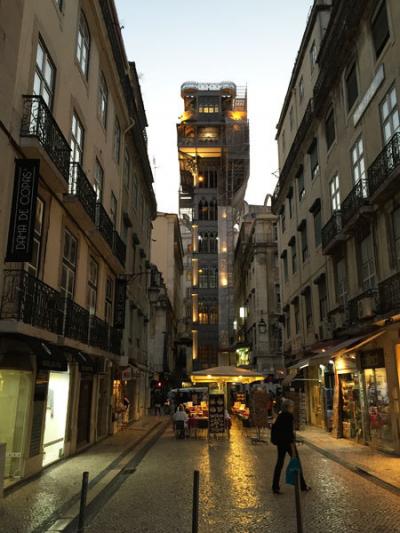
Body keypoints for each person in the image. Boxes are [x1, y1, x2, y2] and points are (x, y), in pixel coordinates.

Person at [271, 399, 310, 494]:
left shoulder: (280, 416)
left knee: (279, 463)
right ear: (288, 407)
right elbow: (289, 431)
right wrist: (293, 442)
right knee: (297, 462)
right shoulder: (289, 416)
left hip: (280, 443)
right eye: (292, 406)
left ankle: (275, 486)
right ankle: (303, 486)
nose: (293, 408)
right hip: (288, 443)